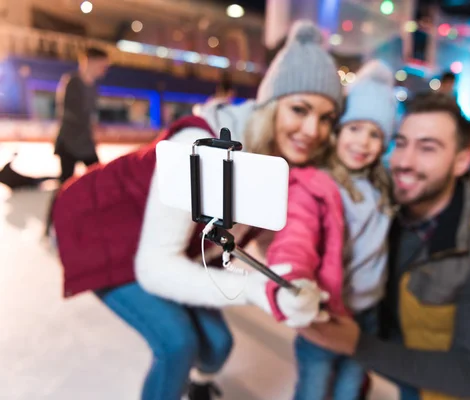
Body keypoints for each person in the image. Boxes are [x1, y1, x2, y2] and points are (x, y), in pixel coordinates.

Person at [50, 20, 342, 400]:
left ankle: (189, 385)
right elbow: (155, 267)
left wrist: (291, 279)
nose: (312, 130)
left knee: (217, 345)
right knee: (177, 344)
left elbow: (270, 240)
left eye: (325, 118)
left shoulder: (279, 162)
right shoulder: (205, 151)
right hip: (98, 229)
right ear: (270, 105)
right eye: (299, 109)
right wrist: (257, 289)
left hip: (163, 243)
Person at [296, 92, 470, 400]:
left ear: (462, 160)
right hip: (406, 376)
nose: (404, 162)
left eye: (427, 148)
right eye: (401, 143)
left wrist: (356, 345)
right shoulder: (387, 214)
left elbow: (469, 375)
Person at [264, 60, 396, 400]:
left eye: (375, 134)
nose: (362, 142)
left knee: (350, 388)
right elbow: (296, 233)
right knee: (314, 386)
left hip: (368, 313)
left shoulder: (383, 186)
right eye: (354, 128)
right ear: (337, 131)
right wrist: (293, 274)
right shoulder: (315, 185)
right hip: (324, 311)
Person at [54, 47, 109, 182]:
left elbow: (91, 113)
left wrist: (94, 125)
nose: (104, 69)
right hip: (69, 141)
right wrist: (91, 125)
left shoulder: (93, 87)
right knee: (66, 184)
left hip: (85, 141)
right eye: (102, 65)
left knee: (99, 177)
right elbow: (71, 112)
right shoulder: (72, 82)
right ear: (89, 61)